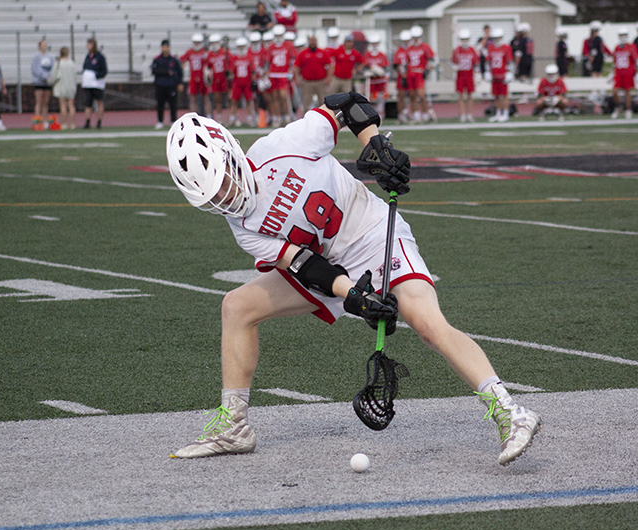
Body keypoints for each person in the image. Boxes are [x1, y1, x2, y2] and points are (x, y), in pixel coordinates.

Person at [165, 91, 542, 466]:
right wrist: (357, 297)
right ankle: (234, 425)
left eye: (225, 185)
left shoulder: (282, 146)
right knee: (236, 306)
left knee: (425, 322)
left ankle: (509, 411)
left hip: (373, 233)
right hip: (329, 261)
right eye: (215, 199)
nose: (226, 200)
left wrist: (375, 146)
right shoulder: (243, 227)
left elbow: (346, 103)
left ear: (232, 156)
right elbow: (306, 266)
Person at [406, 25, 436, 123]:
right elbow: (406, 62)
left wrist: (428, 69)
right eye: (414, 37)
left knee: (421, 95)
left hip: (420, 73)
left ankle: (425, 114)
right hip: (411, 73)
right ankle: (416, 115)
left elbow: (432, 59)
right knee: (412, 95)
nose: (415, 39)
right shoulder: (409, 48)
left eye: (417, 37)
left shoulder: (425, 47)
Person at [293, 34, 331, 112]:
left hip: (320, 82)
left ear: (316, 42)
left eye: (314, 41)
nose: (312, 42)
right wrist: (297, 77)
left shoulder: (322, 52)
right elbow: (297, 66)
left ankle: (323, 119)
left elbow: (330, 65)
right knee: (306, 102)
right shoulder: (303, 53)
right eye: (311, 41)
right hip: (307, 82)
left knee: (323, 102)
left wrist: (328, 77)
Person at [265, 25, 294, 126]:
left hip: (284, 74)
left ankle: (287, 116)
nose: (278, 38)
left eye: (280, 35)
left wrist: (291, 71)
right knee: (275, 97)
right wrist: (267, 74)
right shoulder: (271, 47)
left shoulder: (288, 45)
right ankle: (277, 117)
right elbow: (267, 62)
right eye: (276, 35)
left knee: (284, 96)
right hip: (273, 74)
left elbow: (293, 59)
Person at [152, 39, 183, 129]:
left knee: (173, 104)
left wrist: (180, 83)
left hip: (171, 85)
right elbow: (154, 70)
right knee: (160, 104)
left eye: (167, 46)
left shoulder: (174, 60)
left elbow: (179, 72)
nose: (165, 48)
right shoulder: (157, 59)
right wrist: (166, 72)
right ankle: (160, 121)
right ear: (161, 47)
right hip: (160, 85)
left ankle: (173, 121)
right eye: (164, 47)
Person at [610, 28, 638, 119]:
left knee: (627, 91)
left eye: (624, 35)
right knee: (614, 91)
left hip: (628, 72)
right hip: (619, 73)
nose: (623, 37)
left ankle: (628, 109)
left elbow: (637, 59)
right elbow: (614, 61)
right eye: (621, 35)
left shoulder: (631, 47)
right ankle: (617, 107)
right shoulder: (617, 47)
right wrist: (612, 73)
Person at [484, 28, 514, 122]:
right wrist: (488, 72)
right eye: (496, 38)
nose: (497, 39)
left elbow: (509, 61)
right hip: (494, 75)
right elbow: (488, 61)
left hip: (503, 74)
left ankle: (505, 114)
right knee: (496, 96)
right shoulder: (491, 48)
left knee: (504, 95)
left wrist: (509, 72)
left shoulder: (506, 47)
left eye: (499, 37)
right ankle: (497, 113)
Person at [452, 29, 479, 123]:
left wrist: (478, 75)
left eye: (466, 39)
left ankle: (470, 114)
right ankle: (462, 114)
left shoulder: (472, 50)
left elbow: (476, 63)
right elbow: (453, 62)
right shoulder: (456, 50)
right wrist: (455, 67)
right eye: (463, 39)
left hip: (469, 75)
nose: (464, 41)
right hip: (460, 76)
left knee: (470, 96)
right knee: (460, 96)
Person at [180, 33, 210, 117]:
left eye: (198, 42)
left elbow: (209, 63)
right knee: (193, 98)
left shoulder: (204, 52)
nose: (196, 44)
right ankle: (193, 117)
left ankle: (208, 116)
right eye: (195, 42)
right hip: (193, 77)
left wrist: (207, 73)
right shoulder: (190, 52)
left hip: (203, 78)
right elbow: (181, 60)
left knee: (206, 98)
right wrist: (185, 67)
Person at [228, 37, 256, 127]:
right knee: (234, 101)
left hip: (247, 82)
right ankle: (233, 118)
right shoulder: (234, 58)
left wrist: (253, 81)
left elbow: (253, 71)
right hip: (237, 83)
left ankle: (250, 118)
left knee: (249, 100)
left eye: (242, 46)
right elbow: (230, 71)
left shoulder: (249, 57)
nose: (241, 48)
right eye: (239, 47)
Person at [362, 33, 389, 119]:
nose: (374, 45)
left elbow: (385, 67)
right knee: (369, 97)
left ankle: (380, 113)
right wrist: (368, 71)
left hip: (380, 80)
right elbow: (365, 66)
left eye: (376, 43)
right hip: (371, 80)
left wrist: (381, 71)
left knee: (380, 98)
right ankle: (369, 113)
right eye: (373, 43)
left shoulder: (382, 55)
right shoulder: (367, 55)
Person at [81, 38, 107, 129]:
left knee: (99, 102)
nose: (88, 46)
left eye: (89, 44)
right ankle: (87, 121)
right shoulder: (88, 56)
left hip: (97, 84)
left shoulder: (100, 57)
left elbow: (104, 70)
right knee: (88, 104)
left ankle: (99, 122)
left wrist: (96, 76)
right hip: (88, 84)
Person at [50, 46, 77, 130]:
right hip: (71, 85)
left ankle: (64, 124)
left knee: (63, 106)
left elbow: (54, 75)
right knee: (71, 106)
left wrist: (50, 81)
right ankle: (72, 124)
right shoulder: (72, 63)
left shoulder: (59, 63)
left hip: (62, 86)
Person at [207, 34, 230, 124]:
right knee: (217, 99)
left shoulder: (224, 52)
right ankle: (219, 117)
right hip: (215, 79)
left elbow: (230, 63)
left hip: (224, 78)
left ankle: (229, 117)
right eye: (212, 43)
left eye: (216, 43)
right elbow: (208, 67)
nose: (214, 45)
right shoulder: (210, 54)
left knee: (228, 98)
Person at [31, 40, 54, 125]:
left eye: (46, 44)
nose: (45, 46)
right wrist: (44, 76)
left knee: (46, 102)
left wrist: (50, 77)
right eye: (43, 44)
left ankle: (45, 121)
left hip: (47, 83)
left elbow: (52, 67)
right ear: (40, 46)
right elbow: (35, 69)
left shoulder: (50, 57)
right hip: (39, 82)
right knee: (39, 102)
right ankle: (37, 120)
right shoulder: (36, 57)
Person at [393, 30, 412, 123]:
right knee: (401, 96)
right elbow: (396, 65)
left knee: (412, 96)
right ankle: (401, 115)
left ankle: (411, 113)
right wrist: (402, 74)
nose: (406, 42)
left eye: (407, 40)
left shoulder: (412, 49)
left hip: (411, 75)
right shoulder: (399, 51)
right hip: (401, 76)